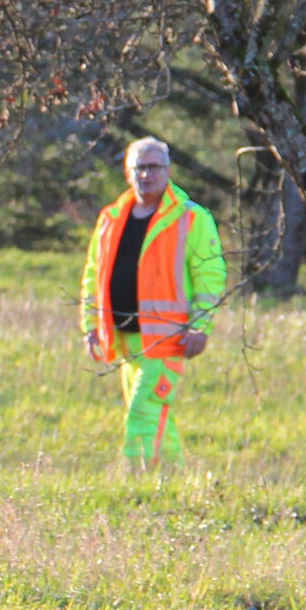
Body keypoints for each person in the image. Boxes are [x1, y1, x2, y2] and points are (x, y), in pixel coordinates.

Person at [80, 138, 226, 469]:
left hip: (168, 338)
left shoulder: (191, 218)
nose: (147, 175)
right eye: (140, 168)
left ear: (168, 170)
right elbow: (93, 275)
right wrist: (91, 327)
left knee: (144, 409)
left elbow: (210, 276)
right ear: (128, 173)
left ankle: (134, 481)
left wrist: (201, 326)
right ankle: (172, 477)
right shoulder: (111, 218)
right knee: (153, 410)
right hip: (123, 334)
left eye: (154, 167)